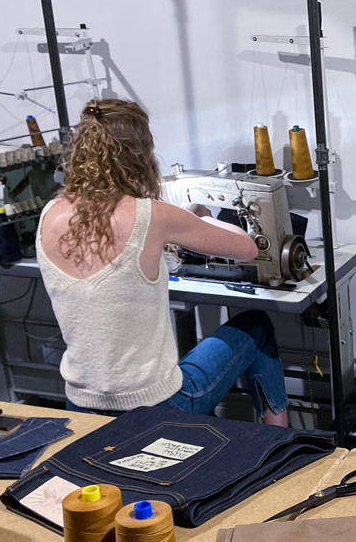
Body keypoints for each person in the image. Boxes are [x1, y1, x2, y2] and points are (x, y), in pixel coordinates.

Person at [36, 99, 291, 425]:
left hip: (79, 407)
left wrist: (180, 221)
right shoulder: (150, 214)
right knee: (257, 325)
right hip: (159, 408)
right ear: (140, 153)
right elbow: (247, 249)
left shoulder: (50, 214)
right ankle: (279, 443)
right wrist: (202, 217)